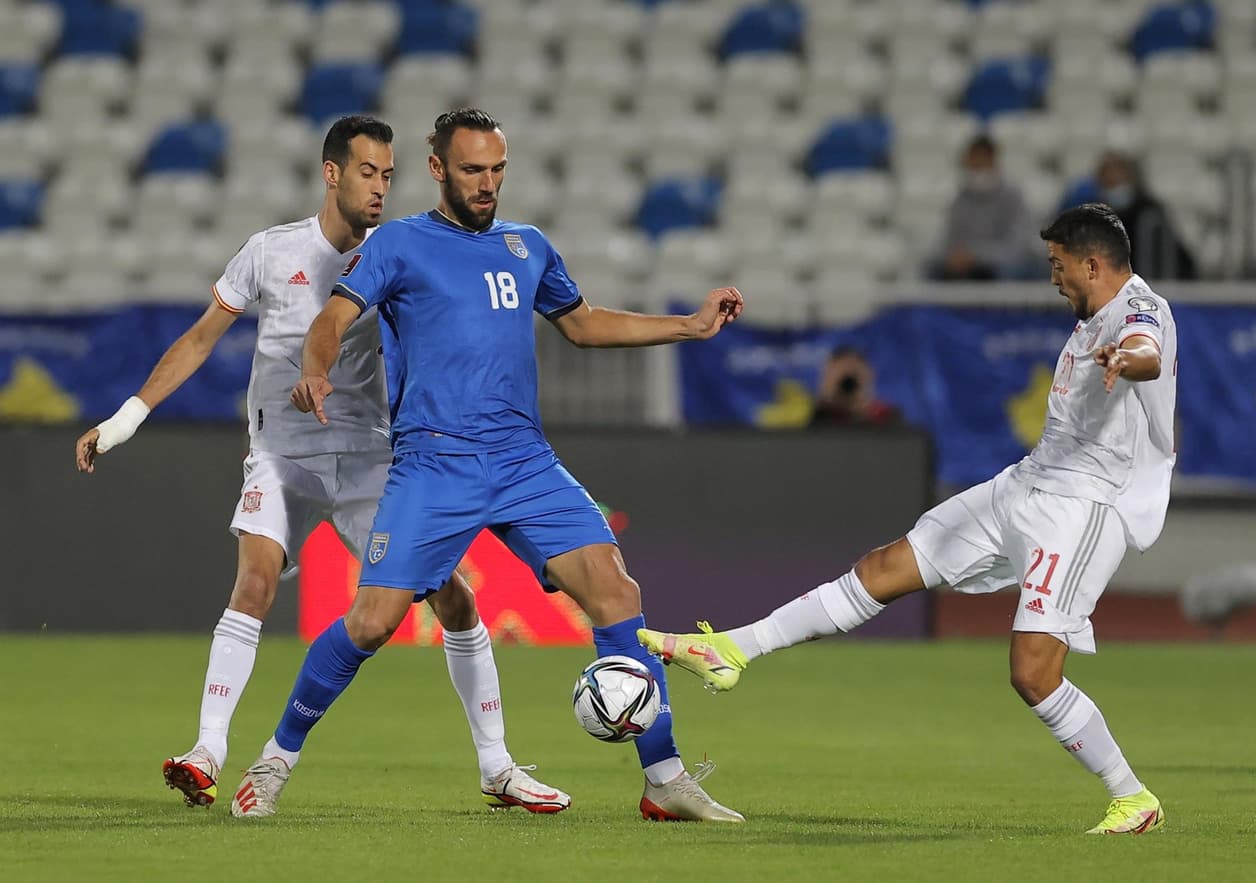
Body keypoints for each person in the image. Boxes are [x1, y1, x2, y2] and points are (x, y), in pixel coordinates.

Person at [227, 108, 746, 823]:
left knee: (617, 593)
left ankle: (664, 778)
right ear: (439, 169)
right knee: (373, 622)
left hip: (524, 460)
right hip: (433, 463)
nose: (487, 183)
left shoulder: (526, 244)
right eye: (472, 170)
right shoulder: (400, 243)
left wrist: (687, 325)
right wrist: (316, 371)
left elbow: (583, 321)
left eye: (497, 169)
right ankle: (275, 758)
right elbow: (332, 319)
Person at [74, 115, 568, 815]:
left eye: (389, 175)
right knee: (255, 578)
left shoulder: (400, 254)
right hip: (281, 456)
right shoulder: (271, 251)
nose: (379, 188)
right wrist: (124, 420)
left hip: (368, 457)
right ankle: (206, 751)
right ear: (332, 172)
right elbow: (197, 340)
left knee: (453, 595)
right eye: (367, 172)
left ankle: (498, 765)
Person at [642, 203, 1175, 836]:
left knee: (1033, 673)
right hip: (1027, 483)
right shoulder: (1089, 317)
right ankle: (732, 649)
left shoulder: (1141, 311)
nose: (1053, 278)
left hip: (1085, 507)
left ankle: (1131, 796)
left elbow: (1147, 350)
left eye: (1059, 266)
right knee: (884, 566)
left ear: (1092, 263)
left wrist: (1128, 359)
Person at [934, 134, 1033, 281]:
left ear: (993, 161)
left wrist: (977, 256)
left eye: (981, 165)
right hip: (966, 267)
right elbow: (949, 241)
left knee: (1008, 270)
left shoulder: (1012, 197)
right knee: (934, 268)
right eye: (973, 166)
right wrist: (956, 257)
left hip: (1000, 268)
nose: (977, 171)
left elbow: (1017, 247)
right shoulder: (960, 199)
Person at [1095, 151, 1195, 280]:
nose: (1113, 183)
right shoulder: (1095, 214)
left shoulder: (1150, 212)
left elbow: (1176, 257)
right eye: (1109, 181)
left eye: (1118, 178)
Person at [809, 346, 902, 428]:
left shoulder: (886, 416)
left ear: (869, 376)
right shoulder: (810, 416)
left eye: (854, 374)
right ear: (825, 378)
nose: (848, 384)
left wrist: (862, 409)